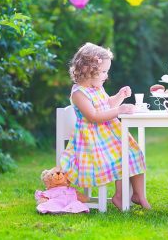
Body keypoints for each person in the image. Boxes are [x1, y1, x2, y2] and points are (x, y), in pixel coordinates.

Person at [60, 42, 151, 210]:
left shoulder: (97, 88)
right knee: (121, 158)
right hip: (92, 140)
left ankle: (139, 195)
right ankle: (120, 196)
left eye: (106, 71)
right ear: (88, 70)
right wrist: (119, 110)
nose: (106, 75)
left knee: (134, 153)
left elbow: (108, 104)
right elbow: (93, 116)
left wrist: (119, 97)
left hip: (108, 134)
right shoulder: (79, 93)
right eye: (103, 72)